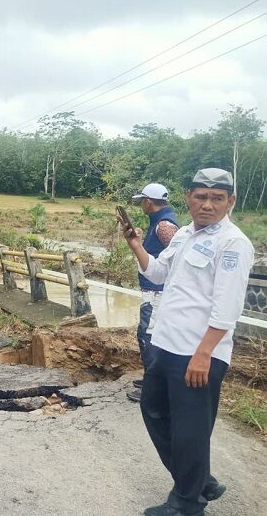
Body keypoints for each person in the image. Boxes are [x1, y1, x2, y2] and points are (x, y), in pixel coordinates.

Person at [120, 168, 254, 516]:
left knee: (190, 430)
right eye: (200, 196)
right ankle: (200, 479)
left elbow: (227, 307)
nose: (207, 205)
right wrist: (136, 245)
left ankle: (187, 503)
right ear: (188, 198)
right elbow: (159, 273)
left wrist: (204, 353)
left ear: (230, 202)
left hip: (198, 352)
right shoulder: (182, 235)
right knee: (153, 410)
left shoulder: (233, 243)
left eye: (217, 198)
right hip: (165, 343)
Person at [126, 183, 179, 403]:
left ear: (149, 201)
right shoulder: (158, 222)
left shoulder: (165, 226)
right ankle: (152, 379)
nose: (140, 205)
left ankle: (154, 388)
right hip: (152, 291)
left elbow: (177, 259)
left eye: (142, 201)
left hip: (158, 293)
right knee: (145, 335)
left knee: (150, 338)